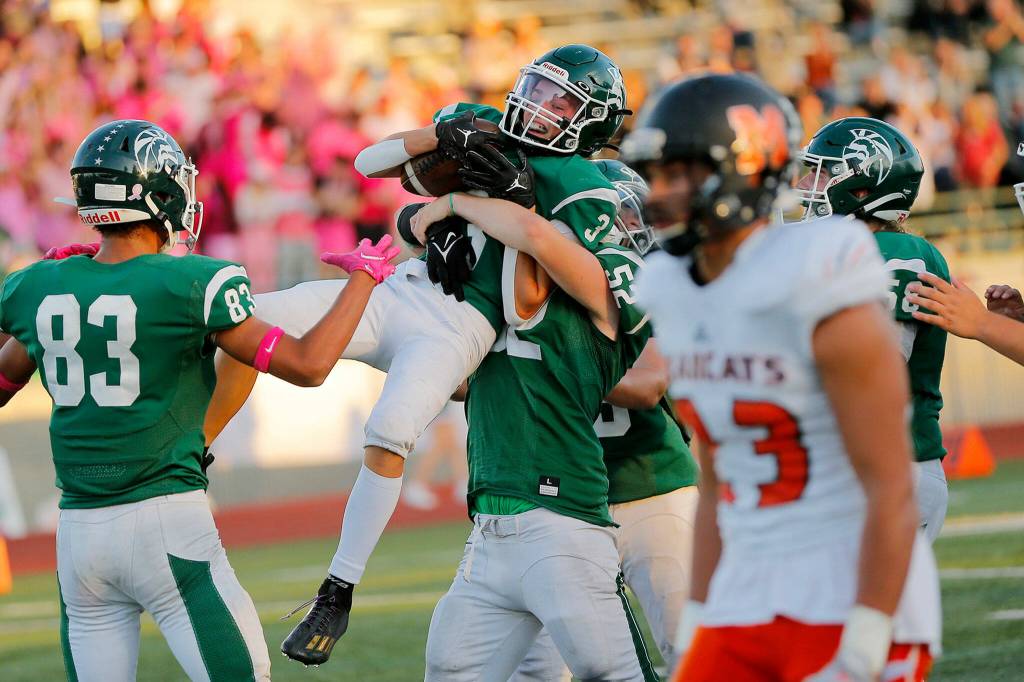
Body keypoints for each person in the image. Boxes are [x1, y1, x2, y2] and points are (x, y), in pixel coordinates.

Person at [206, 43, 632, 666]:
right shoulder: (486, 127)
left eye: (558, 101)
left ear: (589, 120)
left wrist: (501, 206)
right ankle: (198, 449)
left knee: (390, 430)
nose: (538, 107)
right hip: (400, 288)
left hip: (462, 324)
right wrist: (442, 138)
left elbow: (536, 289)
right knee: (240, 311)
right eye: (537, 90)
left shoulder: (580, 184)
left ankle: (338, 590)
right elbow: (368, 163)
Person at [0, 120, 399, 682]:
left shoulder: (38, 286)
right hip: (166, 526)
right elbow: (310, 366)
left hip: (79, 540)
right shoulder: (191, 281)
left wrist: (64, 293)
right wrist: (362, 281)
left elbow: (8, 373)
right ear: (160, 196)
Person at [620, 73, 941, 681]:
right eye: (655, 174)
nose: (658, 193)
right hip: (750, 587)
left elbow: (892, 484)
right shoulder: (674, 286)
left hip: (847, 587)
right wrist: (699, 615)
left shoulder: (817, 273)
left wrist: (872, 631)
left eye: (679, 174)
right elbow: (717, 478)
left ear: (746, 169)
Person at [407, 182, 658, 681]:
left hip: (562, 519)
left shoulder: (606, 294)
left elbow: (532, 234)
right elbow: (459, 383)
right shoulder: (514, 294)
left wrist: (452, 203)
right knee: (451, 667)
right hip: (491, 527)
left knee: (611, 670)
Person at [510, 160, 699, 681]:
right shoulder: (524, 290)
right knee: (542, 670)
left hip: (648, 486)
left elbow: (647, 384)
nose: (621, 231)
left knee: (693, 648)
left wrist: (541, 361)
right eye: (609, 219)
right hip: (556, 504)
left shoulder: (648, 284)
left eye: (625, 219)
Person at [797, 116, 951, 542]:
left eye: (822, 171)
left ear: (862, 187)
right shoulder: (837, 253)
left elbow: (864, 366)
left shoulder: (896, 252)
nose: (807, 183)